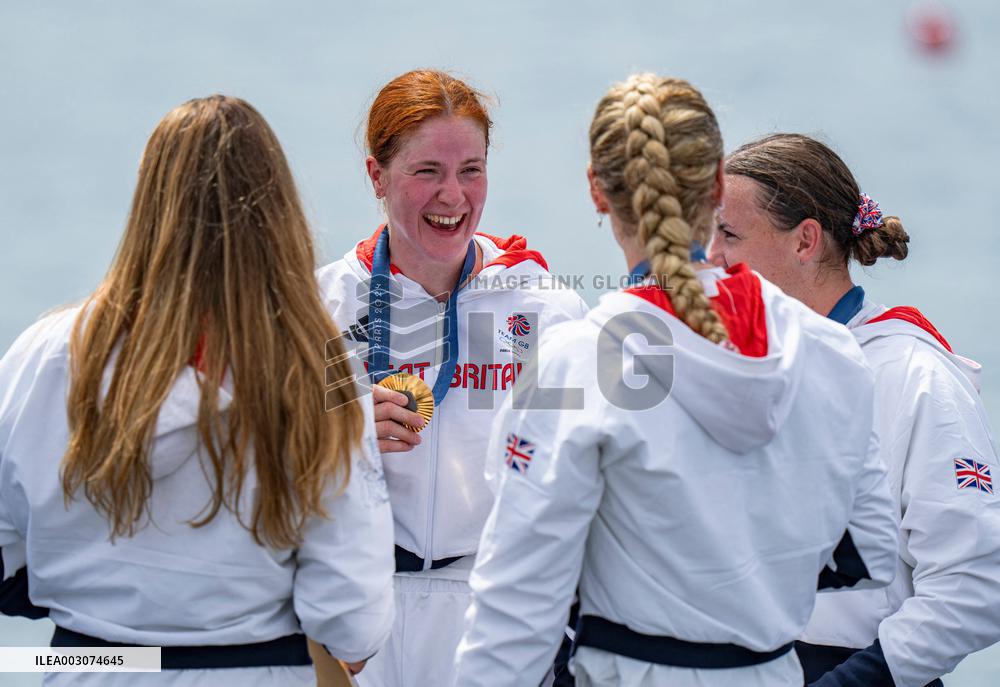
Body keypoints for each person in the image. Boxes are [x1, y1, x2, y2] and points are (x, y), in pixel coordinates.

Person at [452, 73, 900, 687]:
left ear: (597, 191)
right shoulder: (829, 350)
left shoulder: (575, 361)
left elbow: (515, 613)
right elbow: (868, 554)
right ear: (718, 184)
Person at [0, 95, 395, 686]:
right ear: (278, 210)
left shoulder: (49, 352)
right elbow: (352, 619)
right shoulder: (318, 367)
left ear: (147, 202)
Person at [315, 70, 588, 687]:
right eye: (427, 172)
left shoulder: (542, 305)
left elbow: (587, 477)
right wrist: (338, 428)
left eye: (471, 169)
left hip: (497, 618)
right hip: (356, 623)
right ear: (376, 176)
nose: (453, 196)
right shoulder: (320, 305)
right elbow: (250, 466)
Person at [714, 133, 1000, 687]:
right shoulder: (730, 366)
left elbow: (977, 584)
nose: (710, 256)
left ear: (805, 241)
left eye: (728, 234)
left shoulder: (915, 377)